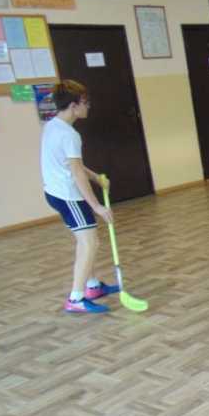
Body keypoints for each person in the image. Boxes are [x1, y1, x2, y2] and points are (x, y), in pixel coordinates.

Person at [40, 80, 118, 314]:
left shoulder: (52, 125)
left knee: (85, 241)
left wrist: (96, 177)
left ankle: (92, 286)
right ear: (73, 106)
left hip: (55, 192)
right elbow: (75, 172)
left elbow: (71, 164)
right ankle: (76, 298)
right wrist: (97, 206)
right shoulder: (70, 135)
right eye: (85, 102)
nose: (88, 106)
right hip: (68, 196)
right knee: (89, 243)